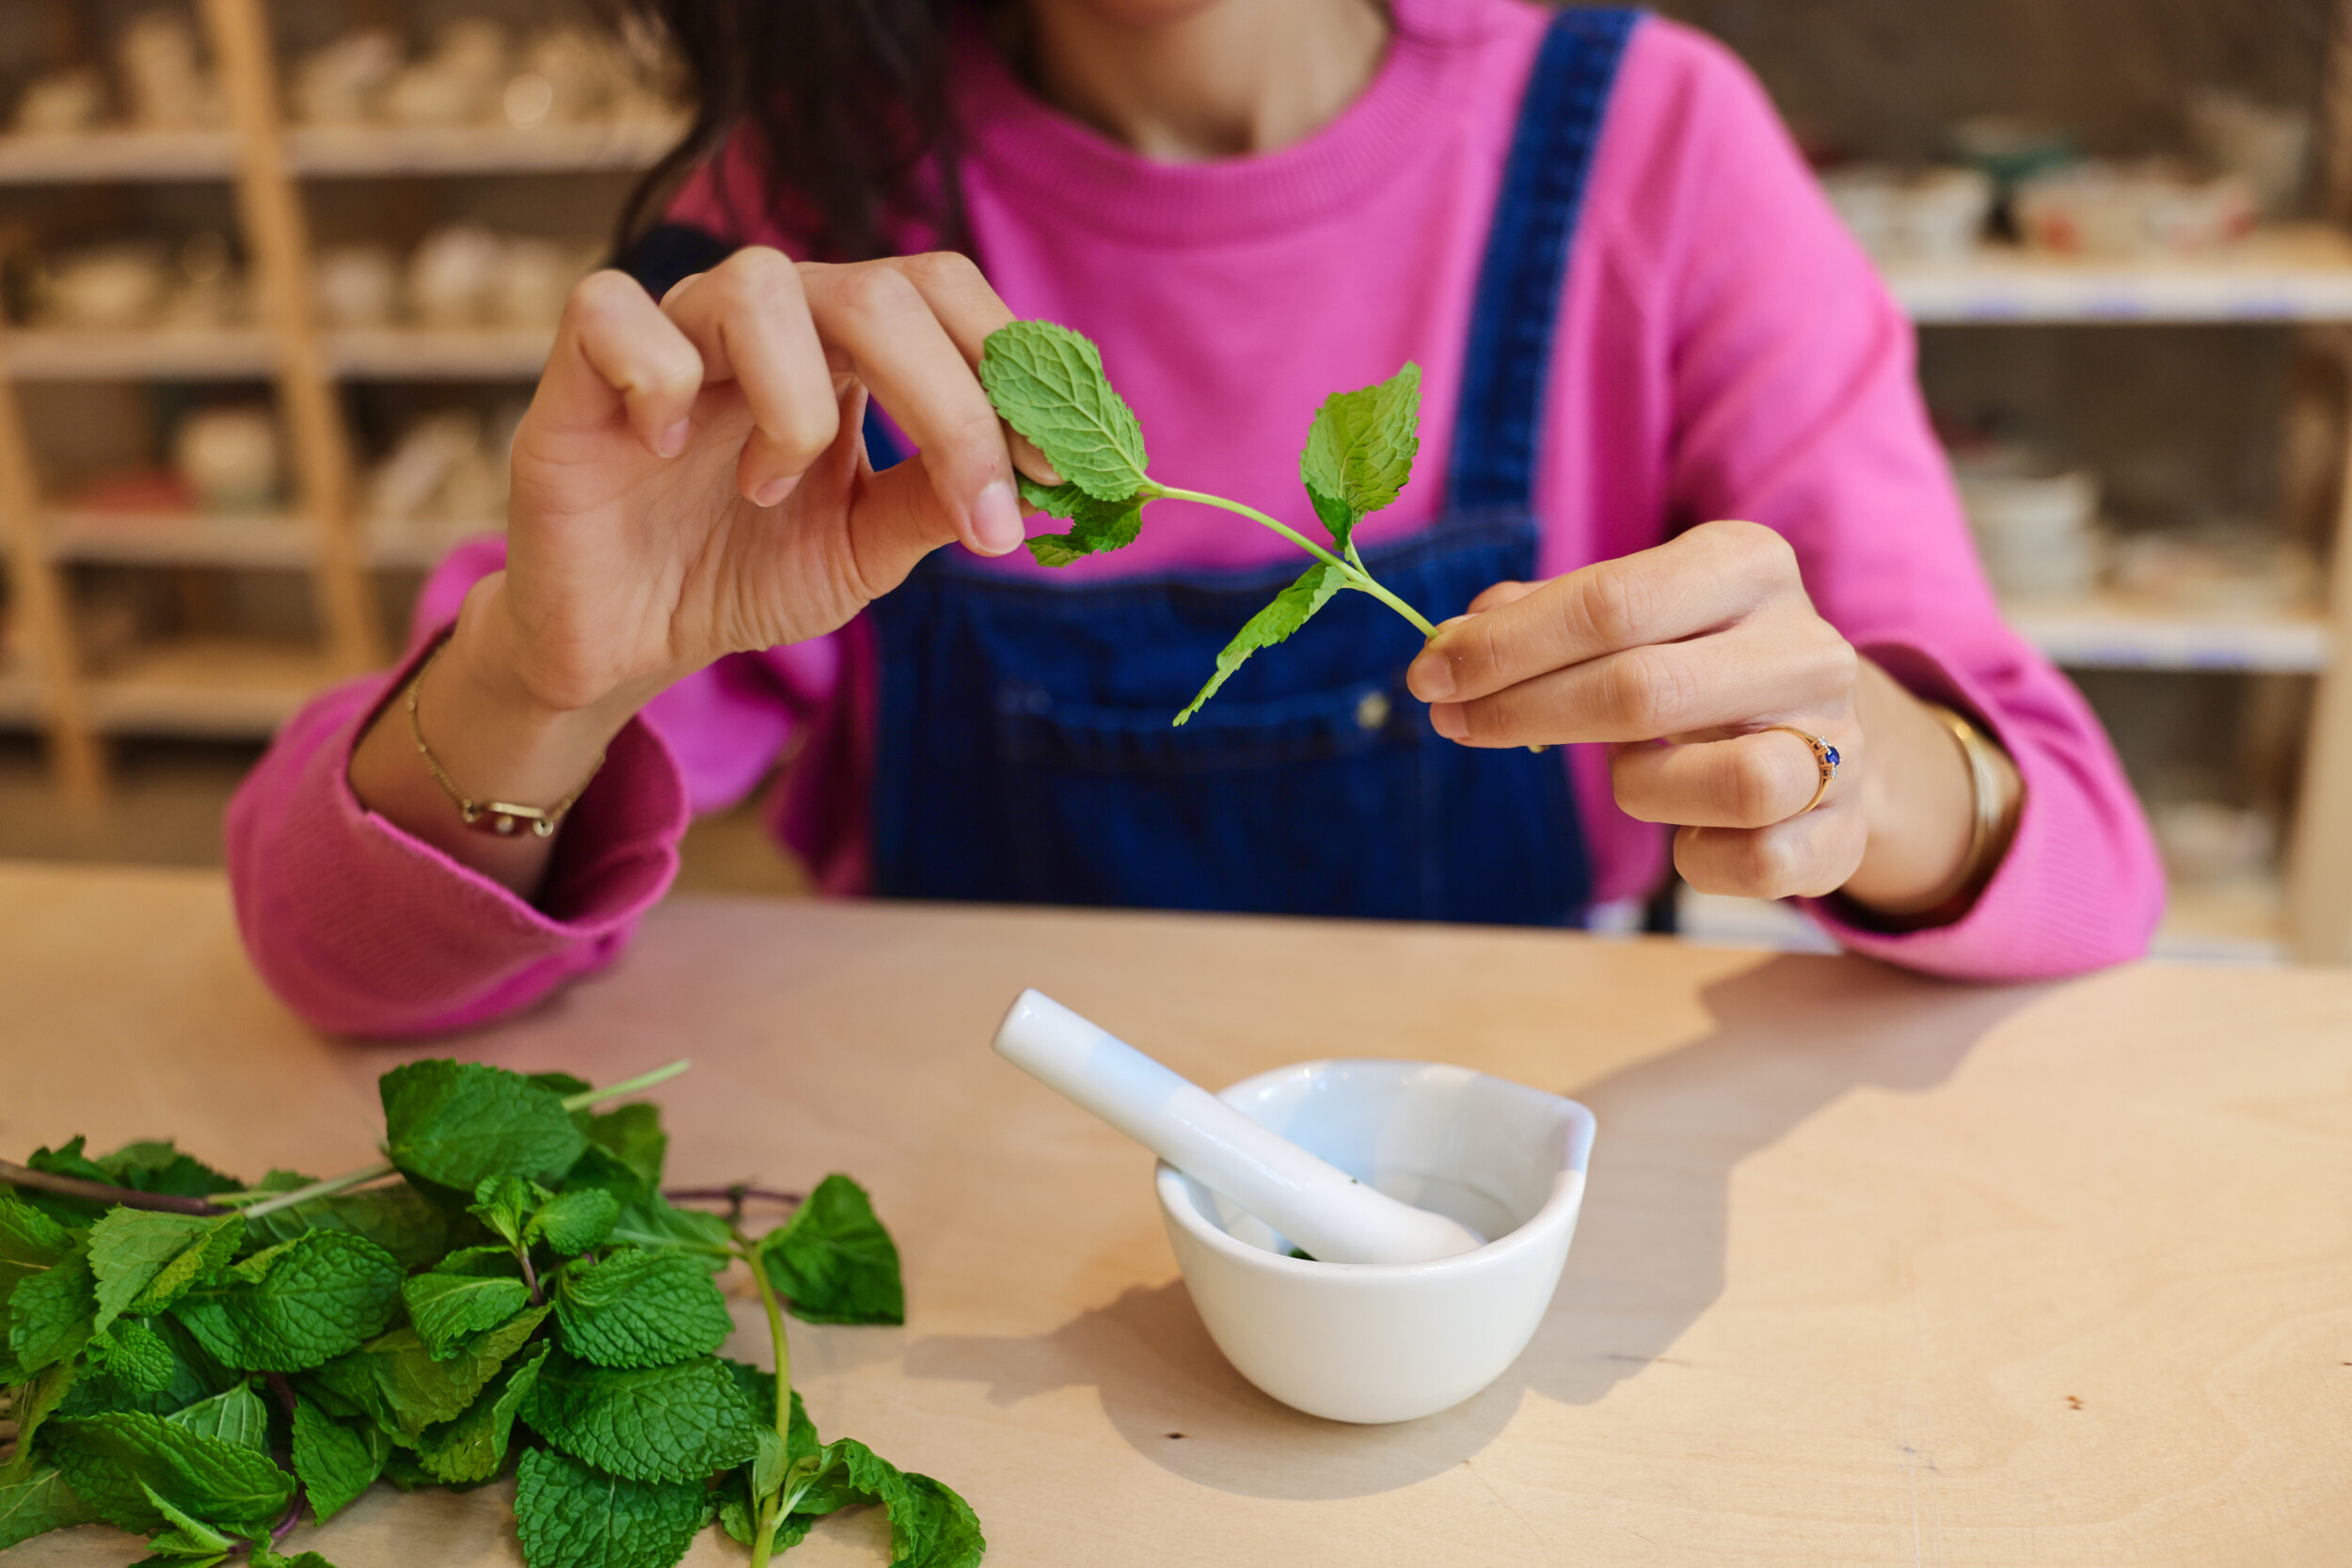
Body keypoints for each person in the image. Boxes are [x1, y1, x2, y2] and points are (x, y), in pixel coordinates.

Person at [227, 0, 2162, 1037]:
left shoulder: (1648, 139)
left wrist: (1860, 776)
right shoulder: (800, 219)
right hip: (966, 1237)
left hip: (1482, 1202)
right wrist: (541, 679)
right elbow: (335, 964)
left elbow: (2075, 851)